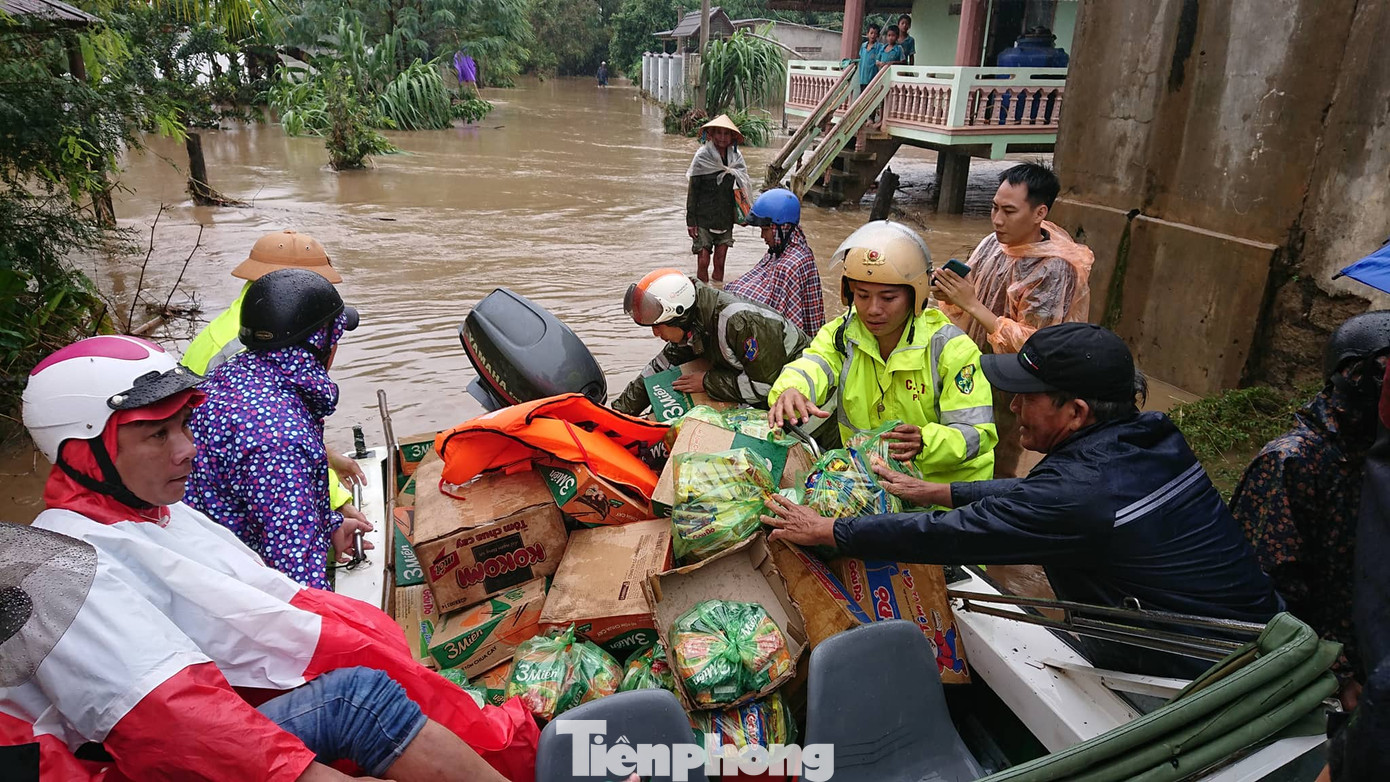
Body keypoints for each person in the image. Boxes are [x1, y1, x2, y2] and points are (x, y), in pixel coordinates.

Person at [12, 334, 538, 780]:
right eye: (158, 433)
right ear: (85, 451)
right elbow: (175, 723)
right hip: (130, 764)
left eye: (184, 426)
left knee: (363, 664)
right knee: (359, 697)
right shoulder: (62, 569)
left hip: (166, 735)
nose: (186, 449)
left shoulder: (147, 510)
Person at [763, 323, 1284, 677]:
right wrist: (940, 490)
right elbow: (1039, 495)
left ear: (1076, 412)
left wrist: (832, 531)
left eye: (1027, 397)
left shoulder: (1077, 494)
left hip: (1206, 661)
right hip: (1254, 625)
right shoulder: (1149, 436)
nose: (1013, 406)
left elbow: (948, 534)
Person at [1231, 311, 1390, 705]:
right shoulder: (1293, 462)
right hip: (1316, 674)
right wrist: (1333, 671)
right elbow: (1267, 590)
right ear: (1354, 378)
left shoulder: (1379, 459)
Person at [767, 220, 998, 483]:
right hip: (875, 482)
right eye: (862, 296)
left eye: (888, 298)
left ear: (916, 295)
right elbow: (813, 364)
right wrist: (790, 390)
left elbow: (978, 433)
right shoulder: (843, 334)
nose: (873, 309)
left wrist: (925, 442)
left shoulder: (951, 348)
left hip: (941, 495)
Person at [184, 268, 369, 590]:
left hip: (204, 566)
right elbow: (297, 587)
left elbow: (245, 498)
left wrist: (327, 524)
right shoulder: (280, 440)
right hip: (237, 593)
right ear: (323, 343)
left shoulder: (228, 379)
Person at [182, 228, 368, 524]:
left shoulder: (237, 320)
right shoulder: (262, 347)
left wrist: (327, 455)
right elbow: (272, 443)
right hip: (228, 501)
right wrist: (338, 503)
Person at [934, 162, 1094, 477]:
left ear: (1039, 213)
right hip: (970, 367)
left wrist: (972, 304)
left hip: (1012, 385)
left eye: (1009, 211)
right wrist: (946, 292)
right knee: (954, 445)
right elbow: (959, 304)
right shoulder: (994, 244)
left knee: (995, 460)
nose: (997, 219)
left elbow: (1035, 346)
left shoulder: (1053, 268)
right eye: (994, 208)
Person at [611, 268, 809, 416]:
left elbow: (764, 386)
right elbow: (656, 371)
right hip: (773, 401)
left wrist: (707, 382)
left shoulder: (739, 323)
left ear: (678, 316)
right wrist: (618, 414)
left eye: (658, 326)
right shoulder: (693, 325)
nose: (655, 333)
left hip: (807, 405)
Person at [725, 188, 826, 335]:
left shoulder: (789, 266)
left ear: (781, 228)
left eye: (765, 230)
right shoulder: (782, 252)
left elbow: (788, 324)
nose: (762, 236)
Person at [686, 114, 752, 285]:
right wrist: (691, 221)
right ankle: (702, 294)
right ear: (712, 135)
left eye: (726, 134)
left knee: (720, 262)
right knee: (703, 261)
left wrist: (745, 215)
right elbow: (693, 190)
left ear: (732, 137)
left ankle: (717, 294)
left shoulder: (736, 159)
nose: (722, 138)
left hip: (725, 218)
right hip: (703, 218)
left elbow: (742, 189)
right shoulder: (702, 157)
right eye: (719, 133)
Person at [856, 23, 882, 95]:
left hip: (873, 77)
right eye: (871, 33)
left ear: (878, 35)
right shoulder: (863, 46)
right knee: (862, 95)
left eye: (875, 34)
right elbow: (860, 58)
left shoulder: (879, 47)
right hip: (862, 77)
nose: (873, 35)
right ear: (867, 34)